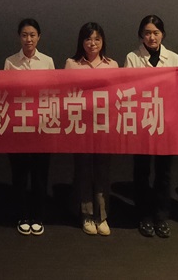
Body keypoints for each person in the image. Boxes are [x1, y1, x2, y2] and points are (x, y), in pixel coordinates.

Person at [124, 15, 178, 239]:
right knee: (141, 171)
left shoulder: (174, 58)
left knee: (164, 172)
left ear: (162, 35)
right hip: (142, 122)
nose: (151, 37)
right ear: (141, 35)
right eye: (147, 33)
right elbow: (129, 87)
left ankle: (161, 215)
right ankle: (144, 215)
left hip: (166, 123)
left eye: (156, 33)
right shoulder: (132, 57)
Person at [66, 22, 118, 236]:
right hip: (81, 126)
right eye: (88, 39)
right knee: (83, 170)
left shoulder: (112, 64)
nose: (92, 43)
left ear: (103, 41)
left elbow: (117, 95)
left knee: (103, 171)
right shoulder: (71, 64)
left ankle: (102, 215)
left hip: (104, 126)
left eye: (97, 39)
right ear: (81, 41)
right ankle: (86, 214)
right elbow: (67, 93)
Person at [5, 18, 54, 236]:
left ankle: (38, 215)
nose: (28, 39)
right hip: (19, 126)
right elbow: (6, 94)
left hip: (42, 126)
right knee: (20, 173)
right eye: (24, 35)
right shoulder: (10, 62)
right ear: (19, 37)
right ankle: (22, 215)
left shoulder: (48, 62)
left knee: (40, 174)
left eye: (32, 35)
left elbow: (53, 93)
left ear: (39, 37)